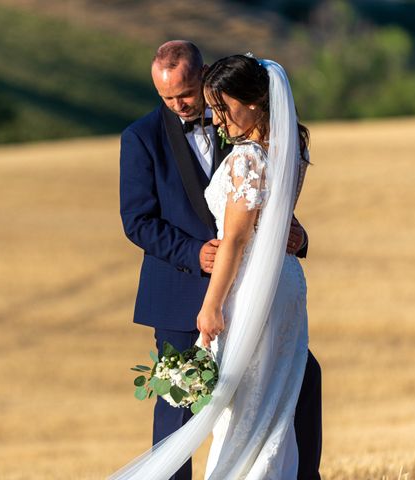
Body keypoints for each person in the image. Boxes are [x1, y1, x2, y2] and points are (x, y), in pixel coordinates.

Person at [117, 42, 321, 480]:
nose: (179, 105)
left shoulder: (238, 117)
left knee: (299, 381)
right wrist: (194, 252)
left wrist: (298, 235)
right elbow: (137, 221)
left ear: (205, 77)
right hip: (180, 292)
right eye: (167, 98)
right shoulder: (141, 137)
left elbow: (265, 198)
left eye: (186, 94)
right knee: (180, 405)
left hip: (254, 293)